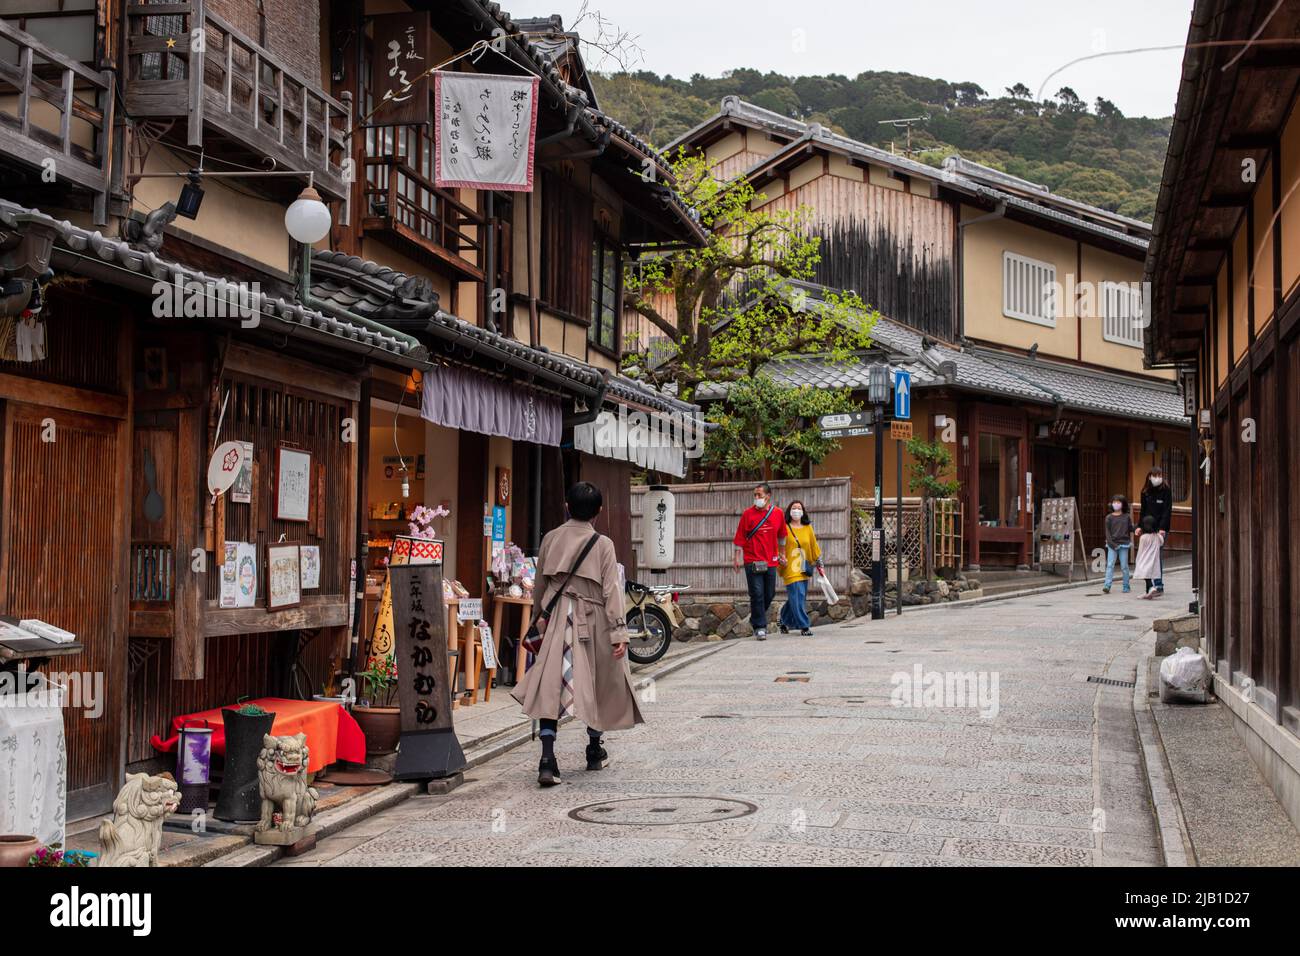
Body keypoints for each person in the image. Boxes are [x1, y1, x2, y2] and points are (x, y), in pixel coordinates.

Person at [512, 481, 641, 787]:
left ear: (567, 506)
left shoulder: (550, 539)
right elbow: (612, 592)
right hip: (593, 618)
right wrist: (618, 633)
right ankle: (594, 749)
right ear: (599, 511)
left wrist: (538, 623)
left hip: (558, 618)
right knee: (598, 680)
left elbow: (540, 587)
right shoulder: (603, 544)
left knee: (550, 685)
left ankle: (547, 759)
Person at [732, 482, 788, 641]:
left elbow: (782, 536)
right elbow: (740, 537)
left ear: (768, 496)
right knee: (757, 593)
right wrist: (736, 557)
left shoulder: (777, 513)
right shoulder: (747, 514)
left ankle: (755, 618)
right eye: (755, 495)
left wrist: (782, 554)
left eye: (760, 495)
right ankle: (760, 627)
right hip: (752, 560)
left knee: (769, 593)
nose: (756, 498)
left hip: (771, 560)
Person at [778, 500, 821, 636]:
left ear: (803, 512)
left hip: (803, 567)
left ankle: (783, 619)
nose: (796, 510)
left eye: (799, 508)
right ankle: (804, 626)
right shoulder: (784, 527)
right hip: (789, 567)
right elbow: (778, 546)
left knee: (796, 597)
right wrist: (780, 558)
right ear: (789, 511)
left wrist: (820, 564)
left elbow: (814, 546)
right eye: (794, 508)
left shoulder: (808, 528)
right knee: (798, 595)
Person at [1139, 466, 1173, 596]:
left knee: (1157, 555)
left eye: (1159, 475)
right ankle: (1150, 585)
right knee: (1147, 556)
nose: (1157, 478)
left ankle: (1158, 585)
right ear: (1149, 476)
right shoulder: (1145, 491)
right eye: (1155, 475)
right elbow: (1143, 510)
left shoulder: (1166, 490)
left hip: (1160, 529)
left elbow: (1167, 510)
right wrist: (1139, 527)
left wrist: (1162, 529)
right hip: (1147, 527)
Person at [1102, 494, 1134, 594]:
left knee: (1124, 566)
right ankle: (1107, 585)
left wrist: (1139, 528)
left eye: (1118, 502)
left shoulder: (1127, 517)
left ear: (1123, 504)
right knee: (1110, 565)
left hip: (1124, 544)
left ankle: (1126, 586)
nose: (1116, 504)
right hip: (1112, 544)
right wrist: (1112, 544)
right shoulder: (1109, 517)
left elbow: (1130, 528)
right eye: (1114, 502)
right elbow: (1107, 533)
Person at [1133, 514, 1164, 599]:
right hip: (1154, 559)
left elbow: (1141, 550)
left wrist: (1138, 559)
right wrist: (1160, 534)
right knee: (1148, 575)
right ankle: (1148, 593)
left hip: (1145, 558)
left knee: (1146, 575)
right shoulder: (1158, 536)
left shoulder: (1143, 537)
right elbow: (1161, 543)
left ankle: (1151, 588)